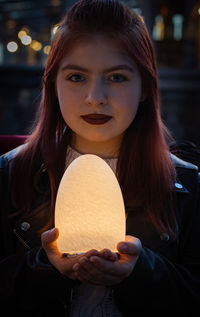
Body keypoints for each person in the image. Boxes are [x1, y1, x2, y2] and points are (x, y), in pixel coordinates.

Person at [0, 0, 200, 316]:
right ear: (53, 84)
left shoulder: (188, 185)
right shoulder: (10, 174)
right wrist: (44, 268)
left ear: (145, 87)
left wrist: (143, 272)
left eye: (117, 77)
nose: (95, 98)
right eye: (77, 77)